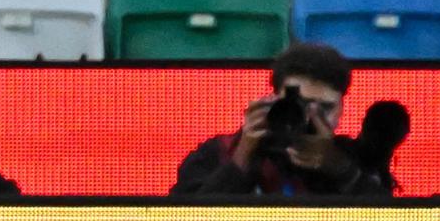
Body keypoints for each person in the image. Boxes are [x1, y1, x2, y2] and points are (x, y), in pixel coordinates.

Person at [171, 42, 403, 197]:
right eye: (300, 105)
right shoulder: (220, 151)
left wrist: (338, 167)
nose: (311, 117)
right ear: (275, 100)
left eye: (325, 108)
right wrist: (243, 157)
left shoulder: (354, 160)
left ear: (342, 108)